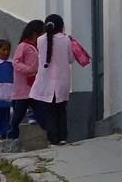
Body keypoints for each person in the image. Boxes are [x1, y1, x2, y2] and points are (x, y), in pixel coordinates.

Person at [29, 14, 74, 145]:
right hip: (62, 82)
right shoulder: (66, 40)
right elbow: (71, 59)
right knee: (61, 111)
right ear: (61, 27)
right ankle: (63, 137)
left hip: (47, 82)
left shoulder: (40, 40)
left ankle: (53, 138)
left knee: (49, 112)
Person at [8, 20, 45, 139]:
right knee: (18, 116)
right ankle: (12, 136)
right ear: (35, 35)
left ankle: (47, 135)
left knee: (40, 113)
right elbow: (16, 62)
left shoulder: (37, 48)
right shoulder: (23, 46)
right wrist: (28, 69)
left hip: (34, 88)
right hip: (22, 89)